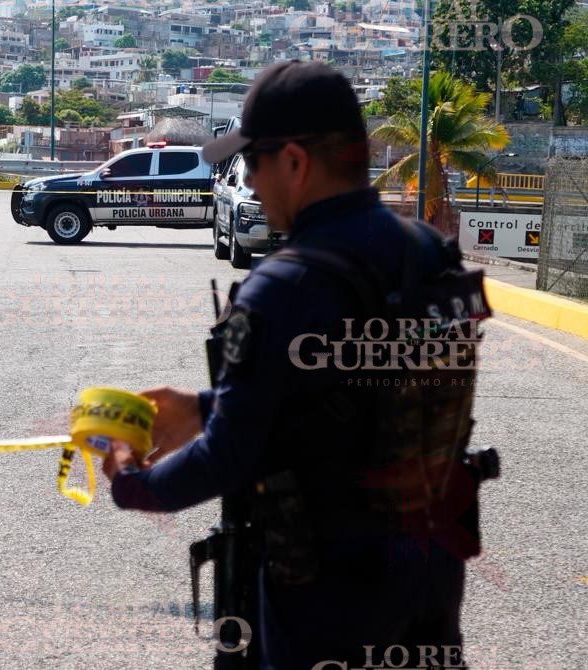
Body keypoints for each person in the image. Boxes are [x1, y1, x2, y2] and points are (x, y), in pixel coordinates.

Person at [100, 61, 493, 669]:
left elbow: (228, 459)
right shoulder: (429, 254)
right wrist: (204, 408)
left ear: (293, 162)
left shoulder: (284, 286)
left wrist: (131, 482)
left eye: (252, 163)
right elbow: (367, 396)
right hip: (430, 577)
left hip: (323, 595)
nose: (250, 184)